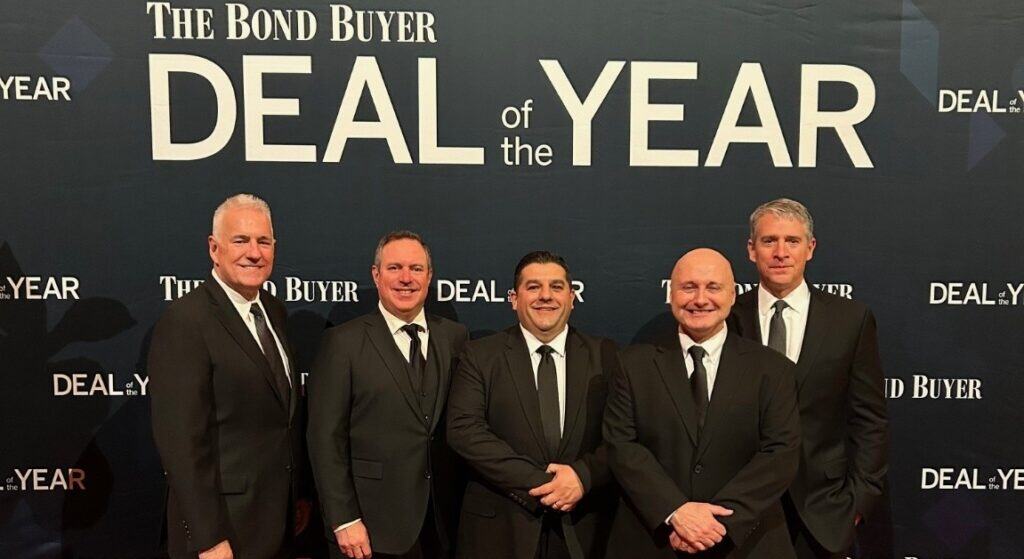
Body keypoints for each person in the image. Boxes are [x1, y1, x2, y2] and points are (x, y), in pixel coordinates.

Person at [605, 248, 800, 558]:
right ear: (670, 294)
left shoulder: (772, 369)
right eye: (688, 287)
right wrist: (676, 513)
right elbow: (621, 445)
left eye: (713, 287)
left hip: (747, 541)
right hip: (655, 539)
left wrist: (717, 523)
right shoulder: (632, 365)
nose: (700, 299)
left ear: (733, 295)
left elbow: (781, 453)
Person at [149, 193, 306, 559]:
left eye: (263, 241)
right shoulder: (186, 322)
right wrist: (208, 538)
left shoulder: (273, 312)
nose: (254, 252)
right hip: (221, 534)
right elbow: (181, 444)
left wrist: (296, 495)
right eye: (240, 241)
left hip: (276, 524)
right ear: (214, 248)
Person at [730, 199, 888, 558]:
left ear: (811, 248)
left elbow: (869, 419)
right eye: (769, 241)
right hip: (740, 508)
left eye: (793, 241)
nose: (781, 252)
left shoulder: (851, 319)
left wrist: (858, 503)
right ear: (751, 251)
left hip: (824, 510)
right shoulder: (726, 318)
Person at [307, 231, 469, 559]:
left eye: (416, 268)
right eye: (394, 268)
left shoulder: (454, 337)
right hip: (369, 526)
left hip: (441, 523)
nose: (406, 278)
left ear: (430, 276)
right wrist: (343, 518)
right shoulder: (343, 343)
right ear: (376, 275)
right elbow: (324, 438)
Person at [446, 251, 617, 559]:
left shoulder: (607, 356)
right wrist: (547, 484)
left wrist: (582, 477)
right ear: (513, 298)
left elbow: (623, 435)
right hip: (501, 529)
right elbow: (464, 431)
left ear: (572, 296)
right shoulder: (480, 356)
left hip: (584, 529)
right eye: (533, 287)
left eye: (556, 286)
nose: (545, 296)